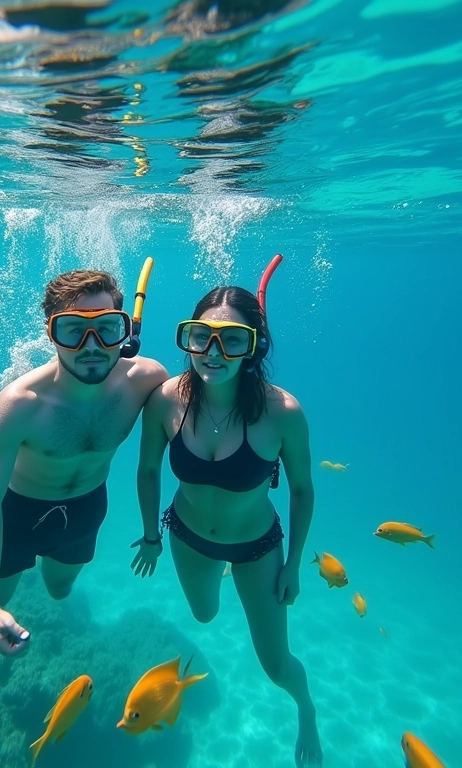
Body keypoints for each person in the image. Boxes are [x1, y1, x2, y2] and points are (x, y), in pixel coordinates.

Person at [132, 285, 323, 767]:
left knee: (277, 667)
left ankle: (308, 710)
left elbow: (302, 489)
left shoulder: (283, 413)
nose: (213, 354)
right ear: (188, 338)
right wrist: (152, 536)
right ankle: (218, 571)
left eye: (232, 340)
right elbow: (148, 470)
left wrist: (295, 564)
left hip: (258, 548)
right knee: (203, 616)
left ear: (254, 344)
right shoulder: (165, 402)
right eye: (201, 337)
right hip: (188, 537)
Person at [0, 269, 167, 657]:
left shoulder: (147, 380)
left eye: (107, 328)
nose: (91, 345)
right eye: (73, 330)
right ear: (50, 333)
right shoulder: (19, 405)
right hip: (18, 514)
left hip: (87, 508)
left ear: (125, 332)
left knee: (59, 590)